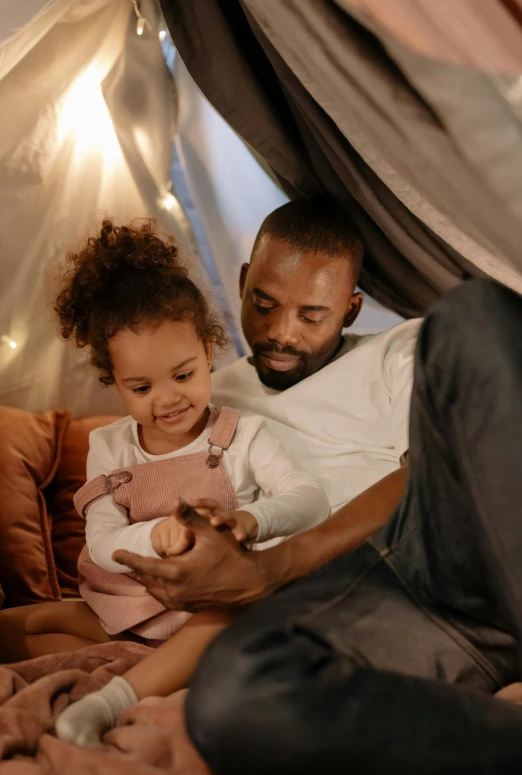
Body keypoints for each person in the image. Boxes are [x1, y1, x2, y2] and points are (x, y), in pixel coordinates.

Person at [112, 205, 522, 771]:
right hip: (381, 606)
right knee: (232, 687)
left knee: (471, 315)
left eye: (312, 314)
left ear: (351, 308)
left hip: (460, 552)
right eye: (264, 304)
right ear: (241, 283)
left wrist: (273, 567)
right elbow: (153, 494)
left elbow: (438, 469)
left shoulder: (398, 353)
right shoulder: (199, 398)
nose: (282, 332)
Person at [39, 217, 328, 746]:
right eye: (141, 386)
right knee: (32, 624)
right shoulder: (109, 447)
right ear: (113, 380)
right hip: (126, 604)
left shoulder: (239, 436)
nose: (168, 398)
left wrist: (249, 518)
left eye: (184, 374)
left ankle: (111, 701)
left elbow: (311, 499)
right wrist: (154, 537)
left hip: (209, 606)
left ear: (209, 350)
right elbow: (102, 544)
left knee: (225, 617)